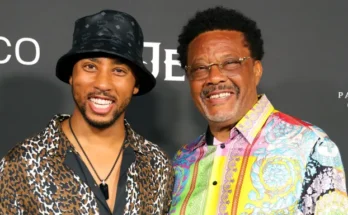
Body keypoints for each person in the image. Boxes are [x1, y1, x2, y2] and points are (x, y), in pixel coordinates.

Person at [169, 6, 348, 215]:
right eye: (200, 68)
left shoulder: (308, 146)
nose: (214, 77)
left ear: (256, 71)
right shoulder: (182, 161)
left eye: (230, 63)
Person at [0, 10, 174, 215]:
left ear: (135, 84)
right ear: (71, 76)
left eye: (119, 71)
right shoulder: (22, 164)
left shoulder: (157, 165)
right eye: (90, 67)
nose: (102, 83)